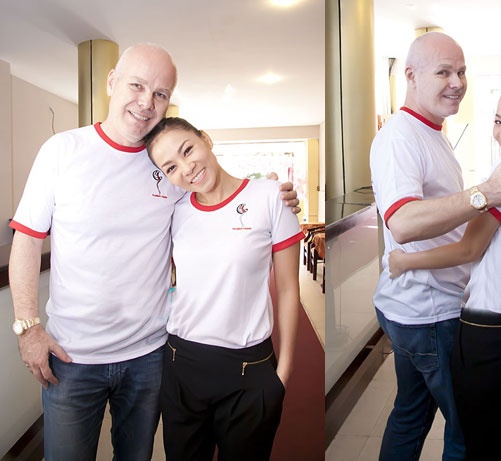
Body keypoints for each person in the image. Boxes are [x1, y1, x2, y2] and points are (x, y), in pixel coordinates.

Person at [8, 44, 299, 460]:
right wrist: (28, 327)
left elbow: (212, 193)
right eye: (137, 85)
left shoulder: (165, 166)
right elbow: (26, 239)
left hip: (149, 356)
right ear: (112, 81)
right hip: (72, 355)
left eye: (160, 93)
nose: (147, 102)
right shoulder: (63, 150)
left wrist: (273, 193)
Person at [369, 32, 501, 461]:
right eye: (444, 72)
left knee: (409, 416)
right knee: (469, 430)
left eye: (462, 71)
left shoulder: (431, 132)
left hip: (415, 305)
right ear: (411, 76)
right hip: (431, 311)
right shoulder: (399, 137)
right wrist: (487, 193)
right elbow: (403, 222)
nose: (457, 82)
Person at [143, 117, 302, 460]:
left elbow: (289, 290)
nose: (186, 168)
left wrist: (283, 373)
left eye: (188, 150)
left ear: (206, 139)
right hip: (181, 364)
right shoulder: (174, 211)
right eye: (171, 167)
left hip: (248, 369)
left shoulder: (271, 197)